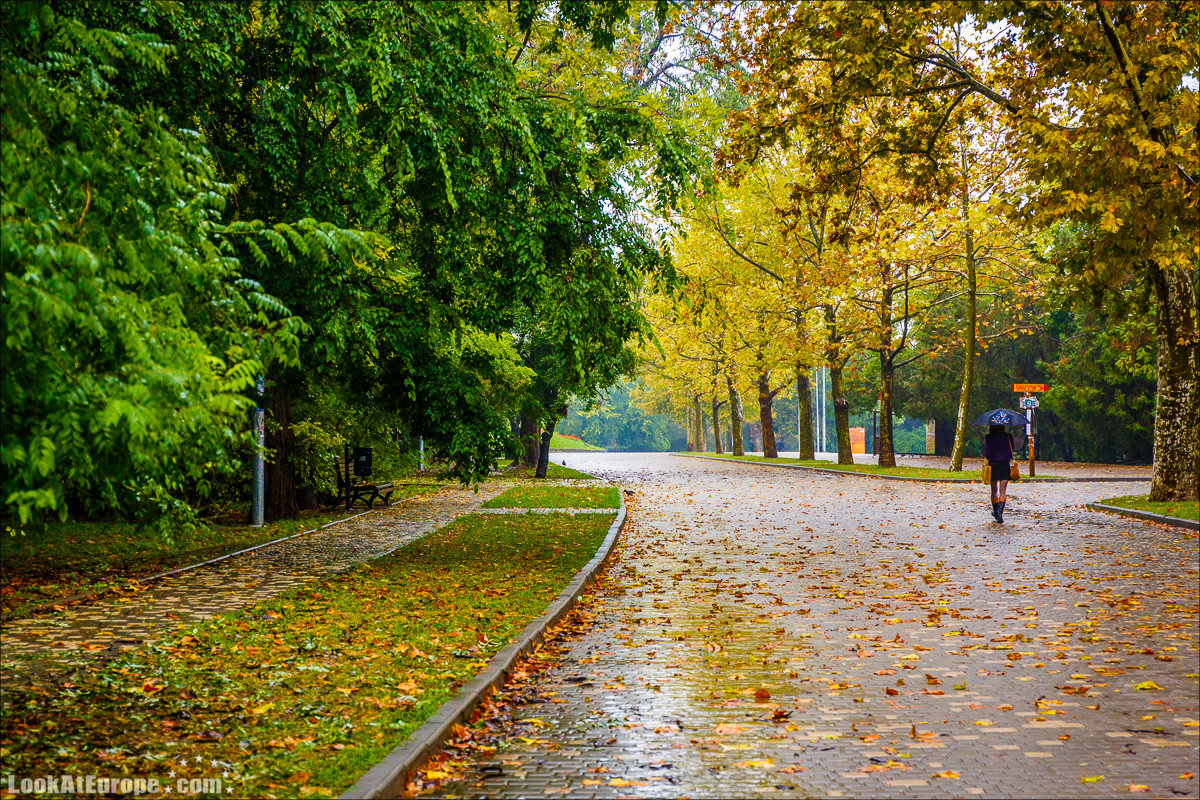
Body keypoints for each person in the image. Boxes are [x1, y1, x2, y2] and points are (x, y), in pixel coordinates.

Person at [981, 424, 1015, 522]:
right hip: (1005, 465)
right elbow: (1012, 450)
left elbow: (987, 453)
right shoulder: (1008, 436)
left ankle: (996, 511)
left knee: (994, 490)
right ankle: (1000, 512)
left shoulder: (989, 437)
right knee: (1003, 491)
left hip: (993, 465)